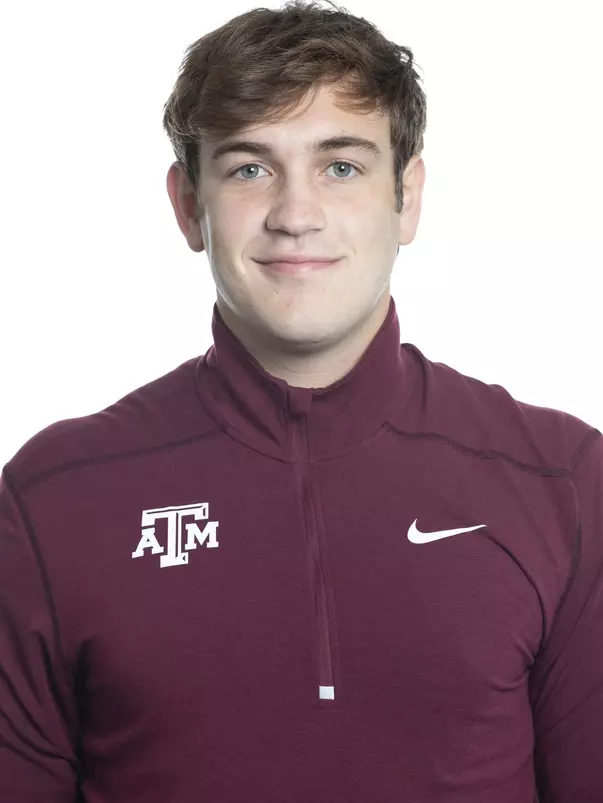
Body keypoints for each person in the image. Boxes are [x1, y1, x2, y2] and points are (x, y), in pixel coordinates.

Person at [1, 0, 601, 800]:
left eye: (341, 166)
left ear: (406, 197)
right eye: (249, 167)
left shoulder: (560, 479)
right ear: (188, 206)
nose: (295, 215)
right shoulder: (55, 496)